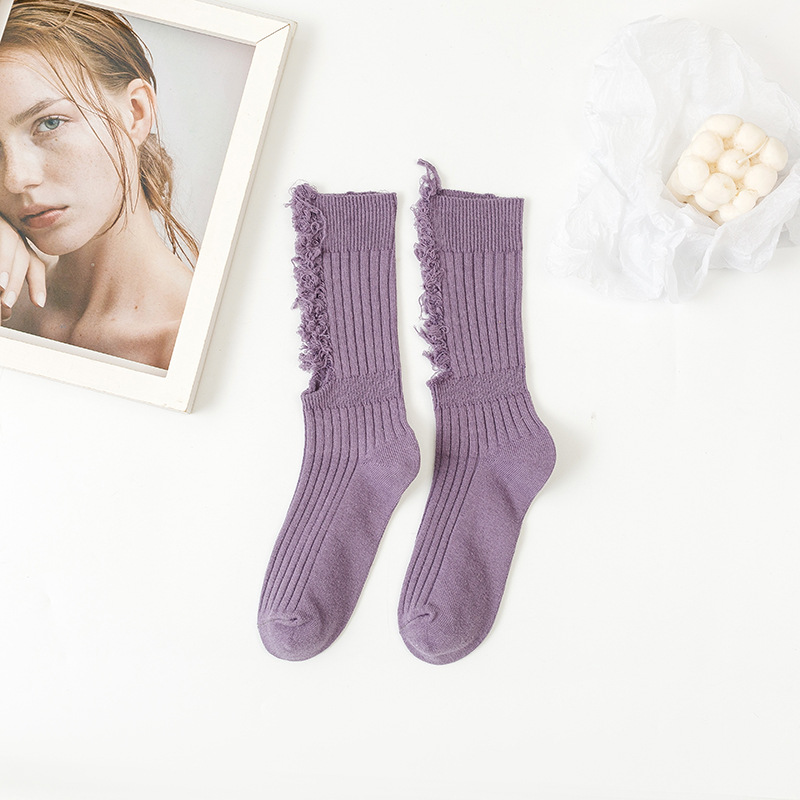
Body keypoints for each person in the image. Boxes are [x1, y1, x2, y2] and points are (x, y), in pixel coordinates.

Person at [0, 0, 198, 370]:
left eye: (50, 123)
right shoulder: (8, 306)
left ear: (135, 113)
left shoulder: (192, 348)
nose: (15, 178)